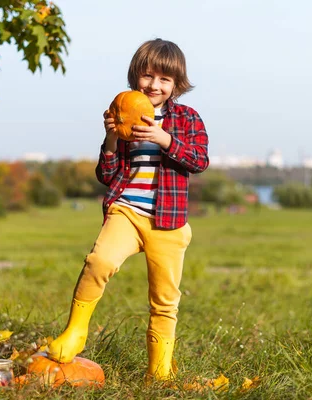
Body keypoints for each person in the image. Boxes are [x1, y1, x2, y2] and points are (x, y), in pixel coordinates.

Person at [48, 38, 209, 382]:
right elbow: (107, 176)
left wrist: (163, 138)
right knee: (99, 262)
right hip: (127, 211)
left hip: (168, 220)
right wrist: (110, 140)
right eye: (148, 76)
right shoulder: (124, 113)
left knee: (165, 299)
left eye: (165, 79)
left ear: (176, 85)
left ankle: (159, 371)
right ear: (136, 76)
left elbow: (199, 160)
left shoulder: (187, 118)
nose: (154, 85)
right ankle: (76, 332)